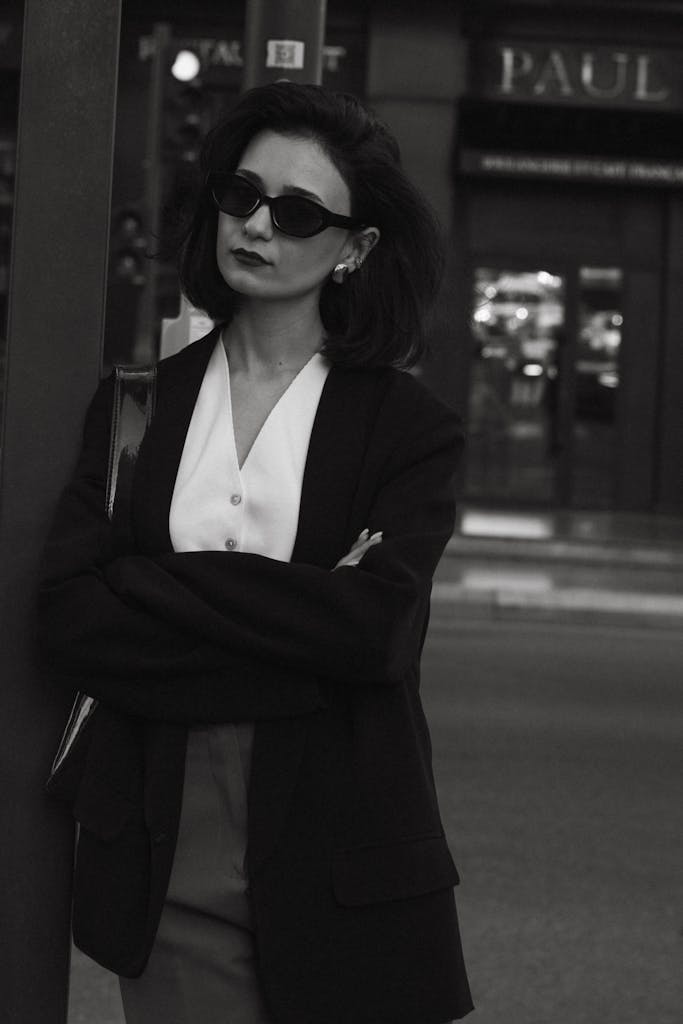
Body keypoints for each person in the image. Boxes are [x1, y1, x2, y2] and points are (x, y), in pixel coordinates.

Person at [38, 82, 474, 1024]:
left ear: (355, 248)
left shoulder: (409, 429)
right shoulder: (134, 406)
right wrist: (303, 621)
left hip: (346, 850)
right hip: (161, 849)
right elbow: (75, 617)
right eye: (242, 195)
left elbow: (375, 635)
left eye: (299, 211)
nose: (258, 225)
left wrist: (153, 587)